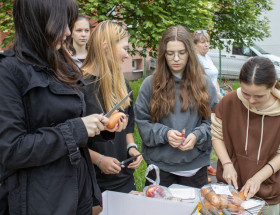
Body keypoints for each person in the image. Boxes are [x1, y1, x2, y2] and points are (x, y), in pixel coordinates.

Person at [0, 0, 111, 214]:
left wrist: (98, 126)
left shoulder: (61, 64)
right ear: (38, 21)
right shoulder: (9, 72)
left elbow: (70, 123)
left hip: (78, 194)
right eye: (63, 24)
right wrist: (78, 128)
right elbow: (12, 150)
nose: (68, 32)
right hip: (41, 202)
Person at [134, 25, 218, 188]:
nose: (176, 59)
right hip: (160, 168)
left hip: (195, 168)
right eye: (170, 53)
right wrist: (165, 134)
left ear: (190, 53)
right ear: (163, 54)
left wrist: (197, 136)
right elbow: (142, 123)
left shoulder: (204, 83)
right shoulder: (150, 84)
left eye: (181, 53)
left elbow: (214, 122)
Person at [81, 21, 143, 214]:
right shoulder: (79, 87)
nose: (127, 55)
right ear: (106, 47)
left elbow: (128, 122)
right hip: (93, 182)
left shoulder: (121, 83)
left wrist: (131, 147)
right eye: (124, 48)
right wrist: (99, 159)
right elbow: (71, 137)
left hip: (123, 176)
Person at [211, 56, 280, 214]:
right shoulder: (229, 102)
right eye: (246, 93)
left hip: (267, 193)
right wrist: (227, 164)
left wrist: (258, 178)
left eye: (259, 96)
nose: (251, 101)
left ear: (273, 85)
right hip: (229, 191)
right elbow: (217, 135)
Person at [193, 30, 221, 183]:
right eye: (202, 42)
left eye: (207, 42)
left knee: (210, 132)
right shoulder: (196, 60)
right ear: (195, 45)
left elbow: (214, 78)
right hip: (202, 101)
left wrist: (220, 94)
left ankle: (206, 163)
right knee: (203, 132)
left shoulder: (207, 57)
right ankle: (201, 168)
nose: (206, 45)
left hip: (213, 100)